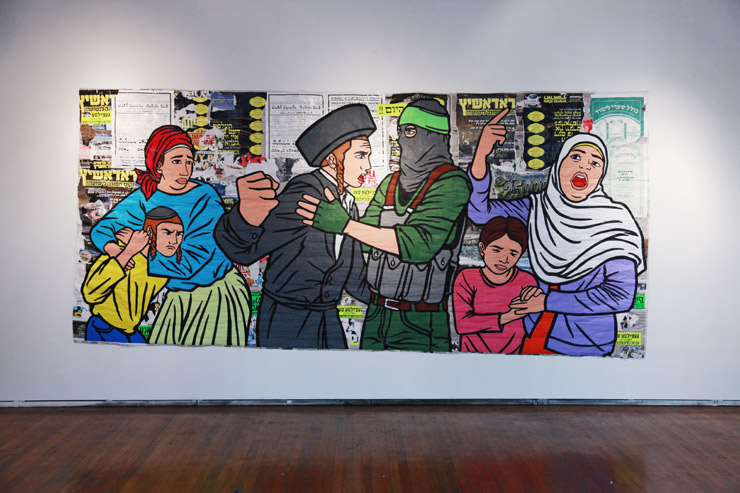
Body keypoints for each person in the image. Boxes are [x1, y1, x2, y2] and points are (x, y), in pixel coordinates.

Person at [298, 98, 472, 352]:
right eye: (400, 132)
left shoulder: (452, 183)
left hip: (420, 319)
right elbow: (362, 241)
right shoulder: (390, 183)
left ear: (434, 136)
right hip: (377, 313)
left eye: (410, 131)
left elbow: (419, 245)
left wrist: (346, 225)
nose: (401, 140)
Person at [467, 119, 646, 356]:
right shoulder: (537, 208)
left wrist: (547, 302)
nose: (584, 167)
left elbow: (619, 295)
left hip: (585, 342)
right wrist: (481, 155)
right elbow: (480, 212)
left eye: (595, 163)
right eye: (576, 157)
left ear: (601, 175)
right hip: (533, 332)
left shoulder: (616, 221)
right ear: (560, 164)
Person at [214, 104, 374, 349]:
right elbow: (246, 251)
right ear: (333, 159)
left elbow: (355, 278)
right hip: (287, 319)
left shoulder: (348, 205)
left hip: (326, 316)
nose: (368, 165)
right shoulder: (306, 192)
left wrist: (397, 301)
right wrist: (245, 216)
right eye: (361, 155)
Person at [90, 125, 252, 346]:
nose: (185, 171)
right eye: (176, 161)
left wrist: (140, 247)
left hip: (214, 294)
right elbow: (102, 229)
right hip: (178, 296)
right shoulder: (146, 196)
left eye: (189, 162)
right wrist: (117, 250)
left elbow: (189, 263)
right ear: (158, 164)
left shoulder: (205, 197)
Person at [82, 207, 184, 344]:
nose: (174, 240)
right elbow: (90, 294)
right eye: (167, 233)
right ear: (149, 232)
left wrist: (135, 248)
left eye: (179, 234)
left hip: (128, 330)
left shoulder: (159, 268)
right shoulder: (118, 252)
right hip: (103, 327)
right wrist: (128, 252)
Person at [452, 216, 538, 353]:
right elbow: (463, 324)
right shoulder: (467, 278)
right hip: (473, 357)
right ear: (482, 248)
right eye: (496, 250)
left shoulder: (526, 281)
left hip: (515, 356)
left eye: (513, 253)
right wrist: (508, 316)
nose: (504, 259)